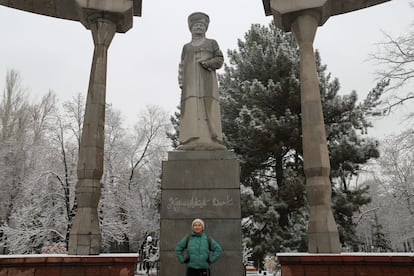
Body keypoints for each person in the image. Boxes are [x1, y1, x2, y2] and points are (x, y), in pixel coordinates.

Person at [177, 12, 227, 151]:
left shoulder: (211, 43)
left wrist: (208, 63)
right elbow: (181, 65)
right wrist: (181, 81)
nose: (198, 28)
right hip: (190, 86)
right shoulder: (186, 47)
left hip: (207, 84)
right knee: (191, 108)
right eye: (195, 25)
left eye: (201, 25)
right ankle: (189, 140)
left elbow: (220, 59)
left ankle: (213, 139)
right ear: (191, 28)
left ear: (206, 28)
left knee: (209, 108)